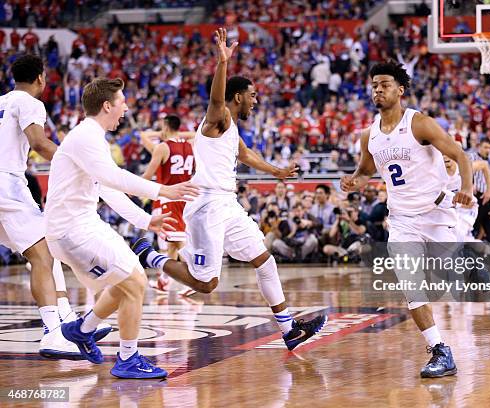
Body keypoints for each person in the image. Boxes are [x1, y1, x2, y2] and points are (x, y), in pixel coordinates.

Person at [131, 28, 327, 351]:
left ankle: (289, 329)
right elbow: (216, 99)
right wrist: (222, 63)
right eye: (252, 95)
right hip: (207, 206)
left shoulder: (231, 129)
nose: (256, 99)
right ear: (238, 97)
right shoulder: (218, 117)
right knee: (207, 283)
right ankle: (150, 256)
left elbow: (246, 155)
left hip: (228, 205)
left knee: (265, 260)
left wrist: (277, 171)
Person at [44, 77, 199, 379]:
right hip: (72, 229)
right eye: (122, 102)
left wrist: (144, 219)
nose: (126, 108)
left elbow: (106, 187)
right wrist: (161, 191)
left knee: (125, 282)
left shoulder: (90, 137)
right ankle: (127, 358)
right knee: (136, 281)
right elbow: (113, 177)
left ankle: (82, 329)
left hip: (81, 224)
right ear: (107, 105)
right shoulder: (86, 137)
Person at [341, 60, 473, 378]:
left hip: (437, 213)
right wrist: (355, 179)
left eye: (384, 84)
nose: (377, 90)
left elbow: (460, 155)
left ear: (400, 90)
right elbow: (367, 168)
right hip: (401, 219)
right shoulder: (369, 134)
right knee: (411, 286)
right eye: (373, 85)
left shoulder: (420, 123)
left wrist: (467, 187)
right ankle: (440, 350)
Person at [0, 54, 110, 359]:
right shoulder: (30, 102)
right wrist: (76, 162)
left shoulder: (2, 101)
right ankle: (52, 333)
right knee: (44, 254)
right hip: (6, 184)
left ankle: (68, 323)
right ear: (40, 78)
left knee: (44, 249)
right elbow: (39, 143)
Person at [142, 114, 195, 293]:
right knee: (173, 243)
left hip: (170, 197)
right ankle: (164, 281)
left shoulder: (163, 147)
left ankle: (196, 279)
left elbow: (148, 176)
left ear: (165, 126)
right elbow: (194, 134)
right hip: (187, 197)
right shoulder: (190, 145)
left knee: (179, 244)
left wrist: (128, 187)